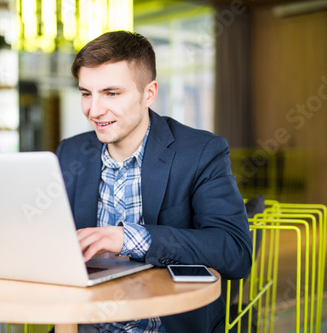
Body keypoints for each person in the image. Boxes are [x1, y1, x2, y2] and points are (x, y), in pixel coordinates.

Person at [56, 30, 252, 333]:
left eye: (111, 93)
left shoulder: (201, 152)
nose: (94, 110)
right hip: (85, 323)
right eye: (86, 93)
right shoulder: (71, 152)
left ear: (149, 93)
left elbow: (234, 251)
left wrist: (130, 238)